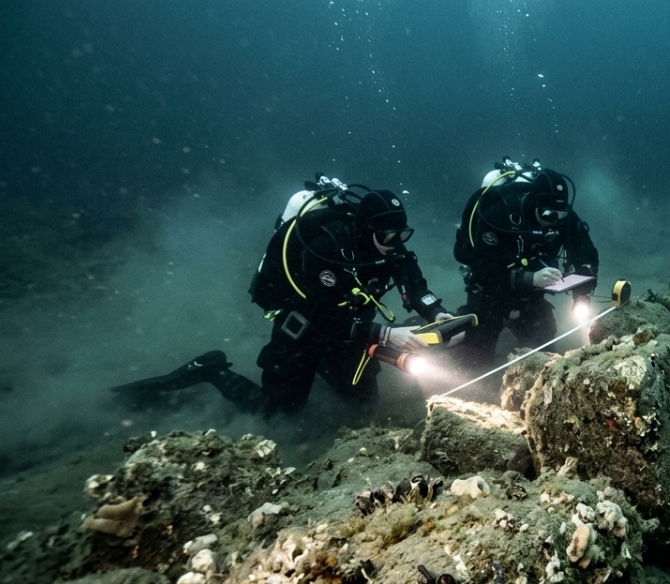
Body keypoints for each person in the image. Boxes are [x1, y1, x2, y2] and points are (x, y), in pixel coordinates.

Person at [113, 176, 453, 415]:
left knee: (362, 403)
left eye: (402, 234)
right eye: (388, 234)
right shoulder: (325, 251)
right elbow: (320, 316)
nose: (396, 242)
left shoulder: (392, 251)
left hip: (350, 336)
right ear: (366, 229)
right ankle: (211, 370)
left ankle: (326, 371)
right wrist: (386, 334)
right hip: (302, 333)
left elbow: (415, 288)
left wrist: (438, 313)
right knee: (277, 413)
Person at [452, 158, 599, 373]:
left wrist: (581, 294)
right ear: (534, 203)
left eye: (560, 215)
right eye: (549, 215)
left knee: (547, 360)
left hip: (530, 300)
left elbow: (587, 256)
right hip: (489, 298)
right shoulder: (498, 215)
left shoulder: (562, 217)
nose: (554, 220)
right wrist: (530, 278)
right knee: (474, 363)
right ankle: (457, 326)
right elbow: (483, 270)